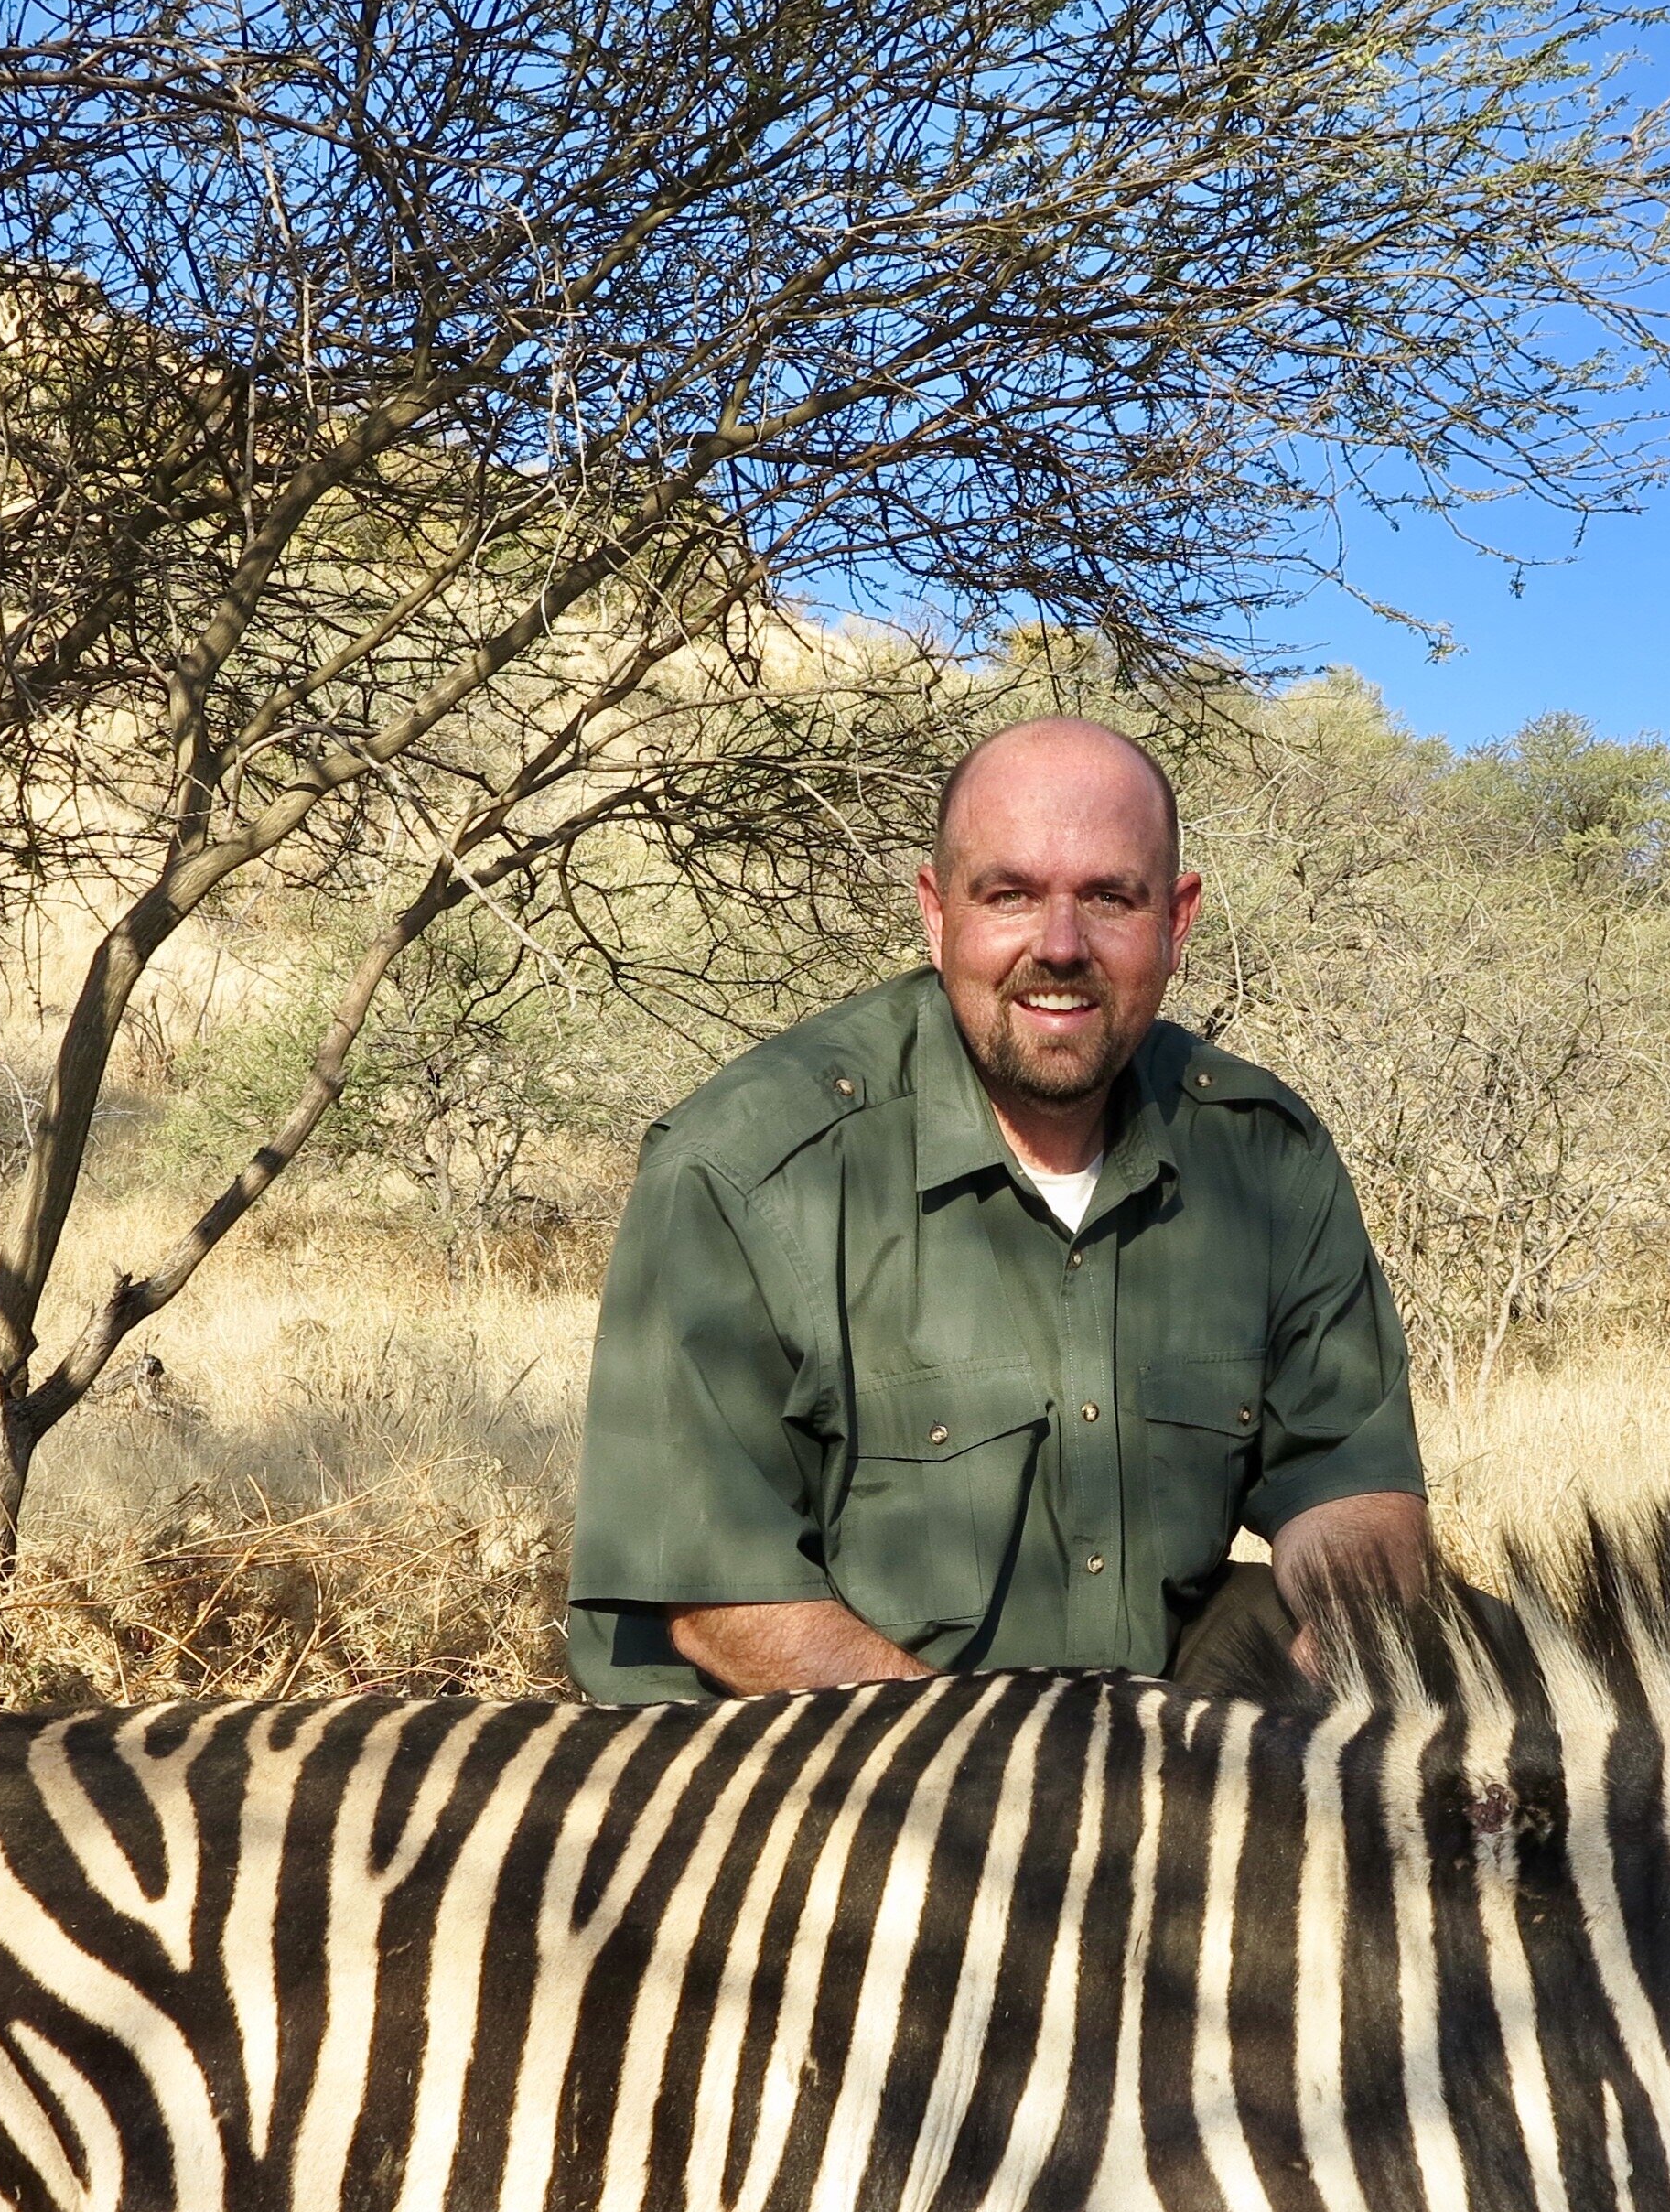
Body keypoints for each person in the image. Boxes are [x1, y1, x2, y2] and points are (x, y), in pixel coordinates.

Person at [564, 716, 1431, 1701]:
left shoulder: (1263, 1154)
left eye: (1109, 897)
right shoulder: (742, 1165)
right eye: (1010, 895)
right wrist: (1032, 1787)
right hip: (810, 1763)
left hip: (1121, 1740)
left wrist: (1317, 1701)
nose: (1058, 948)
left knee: (1467, 1656)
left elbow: (1351, 1487)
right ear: (937, 914)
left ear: (1176, 920)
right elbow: (724, 1606)